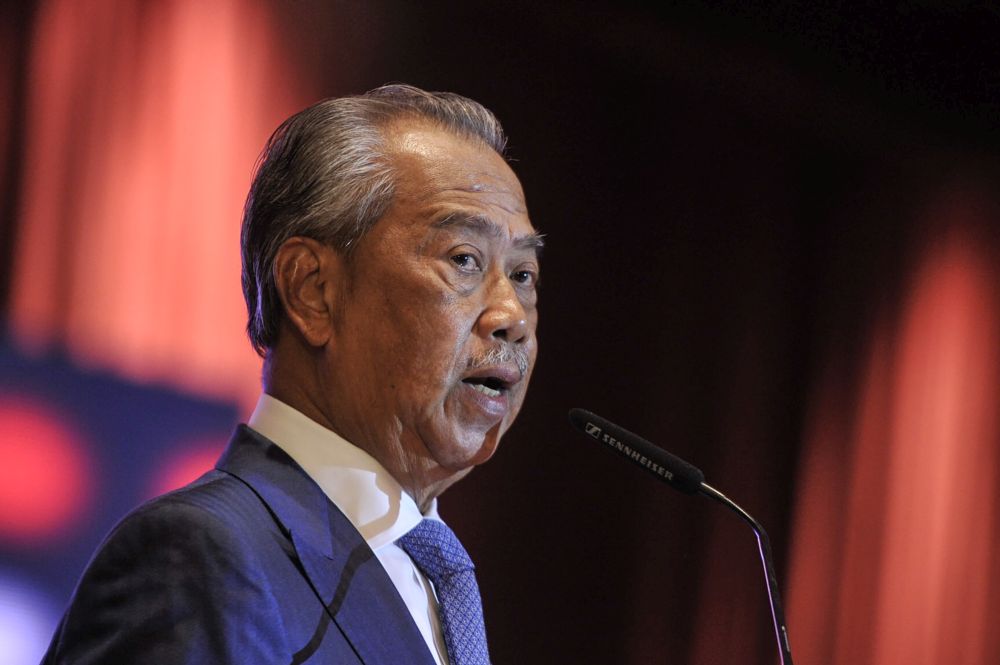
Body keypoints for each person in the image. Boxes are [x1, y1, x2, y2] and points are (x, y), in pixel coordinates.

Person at [42, 84, 541, 665]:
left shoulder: (431, 583)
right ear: (313, 291)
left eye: (523, 275)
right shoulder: (200, 556)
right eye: (464, 260)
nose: (512, 317)